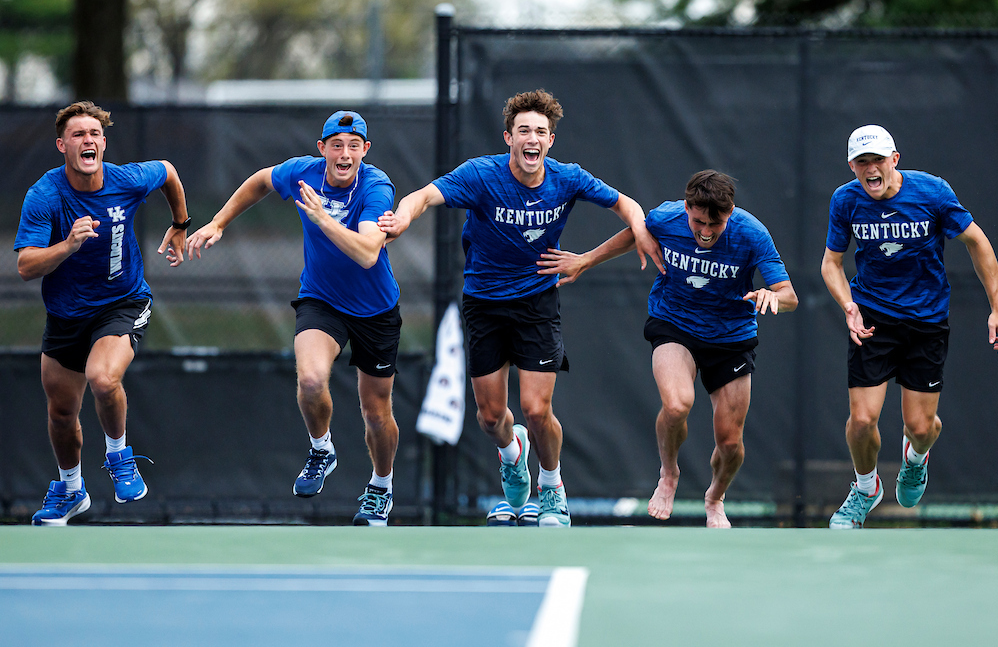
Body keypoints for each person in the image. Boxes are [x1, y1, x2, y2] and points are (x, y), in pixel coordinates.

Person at [378, 89, 662, 527]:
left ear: (550, 141)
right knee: (491, 417)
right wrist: (402, 217)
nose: (533, 139)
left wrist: (636, 230)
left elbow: (625, 204)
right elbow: (425, 196)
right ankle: (513, 453)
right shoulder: (481, 175)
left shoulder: (567, 178)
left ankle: (551, 487)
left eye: (541, 132)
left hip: (537, 303)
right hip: (484, 303)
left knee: (535, 409)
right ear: (508, 137)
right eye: (524, 130)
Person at [537, 170, 796, 528]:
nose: (706, 232)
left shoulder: (752, 233)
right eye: (699, 222)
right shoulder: (666, 217)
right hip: (674, 324)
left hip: (731, 337)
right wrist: (586, 259)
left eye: (716, 224)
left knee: (730, 444)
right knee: (676, 405)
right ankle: (669, 472)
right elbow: (636, 233)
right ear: (687, 208)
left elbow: (789, 296)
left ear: (731, 212)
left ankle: (715, 497)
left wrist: (773, 296)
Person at [185, 111, 402, 526]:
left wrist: (323, 218)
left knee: (376, 412)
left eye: (353, 146)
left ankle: (381, 486)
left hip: (375, 308)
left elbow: (367, 253)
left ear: (365, 151)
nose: (345, 153)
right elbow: (261, 181)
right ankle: (322, 448)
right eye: (336, 145)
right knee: (311, 381)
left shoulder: (376, 186)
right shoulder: (303, 173)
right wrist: (218, 222)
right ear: (322, 149)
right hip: (321, 299)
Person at [822, 125, 998, 529]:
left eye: (877, 160)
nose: (870, 169)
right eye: (861, 162)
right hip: (872, 319)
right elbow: (831, 263)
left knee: (921, 427)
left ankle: (916, 458)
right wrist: (849, 306)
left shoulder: (932, 192)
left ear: (894, 160)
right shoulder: (845, 199)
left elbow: (977, 242)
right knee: (861, 421)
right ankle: (866, 488)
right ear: (852, 166)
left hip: (926, 321)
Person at [16, 101, 191, 526]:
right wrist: (68, 245)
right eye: (78, 135)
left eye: (94, 134)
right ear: (62, 146)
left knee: (103, 377)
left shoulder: (126, 179)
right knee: (61, 414)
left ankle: (119, 457)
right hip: (66, 315)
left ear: (104, 143)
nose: (87, 140)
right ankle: (70, 490)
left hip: (122, 302)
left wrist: (180, 224)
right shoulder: (45, 195)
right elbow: (26, 266)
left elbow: (168, 171)